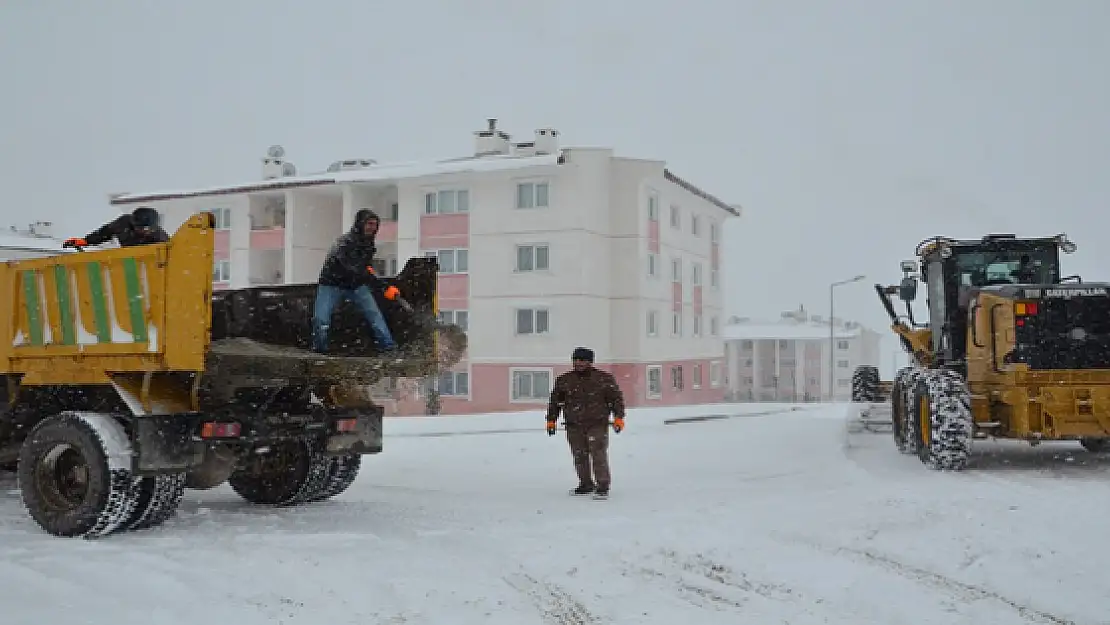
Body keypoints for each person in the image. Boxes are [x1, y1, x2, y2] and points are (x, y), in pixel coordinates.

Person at [312, 208, 401, 354]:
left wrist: (376, 279)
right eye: (369, 224)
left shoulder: (369, 245)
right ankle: (320, 350)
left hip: (355, 285)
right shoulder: (345, 243)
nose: (372, 228)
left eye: (375, 225)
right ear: (360, 224)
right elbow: (354, 268)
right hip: (331, 284)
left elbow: (365, 269)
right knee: (321, 319)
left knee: (374, 315)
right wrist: (383, 287)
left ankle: (388, 347)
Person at [545, 347, 626, 498]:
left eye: (582, 360)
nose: (579, 363)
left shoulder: (603, 379)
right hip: (574, 425)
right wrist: (551, 420)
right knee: (579, 455)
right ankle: (586, 484)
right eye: (576, 360)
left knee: (598, 454)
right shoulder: (564, 380)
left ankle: (602, 486)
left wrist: (619, 417)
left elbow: (616, 399)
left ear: (590, 362)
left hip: (597, 423)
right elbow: (555, 402)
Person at [62, 206, 168, 249]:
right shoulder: (123, 224)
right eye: (141, 229)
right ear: (134, 224)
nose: (145, 232)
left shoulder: (160, 238)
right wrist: (85, 241)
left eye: (149, 229)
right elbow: (104, 233)